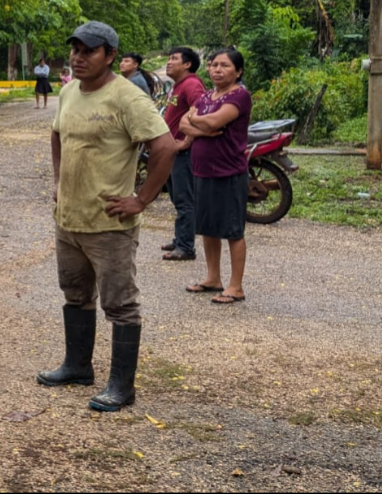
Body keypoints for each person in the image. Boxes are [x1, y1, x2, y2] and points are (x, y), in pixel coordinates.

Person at [38, 21, 176, 413]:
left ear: (110, 55)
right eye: (75, 50)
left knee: (120, 304)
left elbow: (164, 146)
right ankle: (77, 366)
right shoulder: (67, 92)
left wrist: (142, 199)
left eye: (89, 51)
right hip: (69, 219)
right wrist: (59, 180)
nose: (78, 57)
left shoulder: (126, 97)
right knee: (75, 294)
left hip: (110, 224)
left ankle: (121, 385)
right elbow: (56, 134)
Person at [181, 48, 253, 305]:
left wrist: (197, 122)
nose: (217, 69)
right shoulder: (208, 96)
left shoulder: (240, 96)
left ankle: (236, 286)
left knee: (233, 229)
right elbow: (182, 123)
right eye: (214, 65)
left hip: (229, 172)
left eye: (224, 65)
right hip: (202, 170)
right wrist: (202, 127)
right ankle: (213, 278)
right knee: (208, 228)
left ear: (238, 71)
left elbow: (212, 122)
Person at [159, 47, 206, 261]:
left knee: (185, 198)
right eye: (169, 58)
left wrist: (187, 140)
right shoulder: (178, 86)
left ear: (187, 64)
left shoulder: (192, 85)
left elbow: (203, 110)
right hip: (172, 151)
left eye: (174, 59)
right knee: (178, 197)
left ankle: (186, 246)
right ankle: (180, 239)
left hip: (184, 153)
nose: (169, 62)